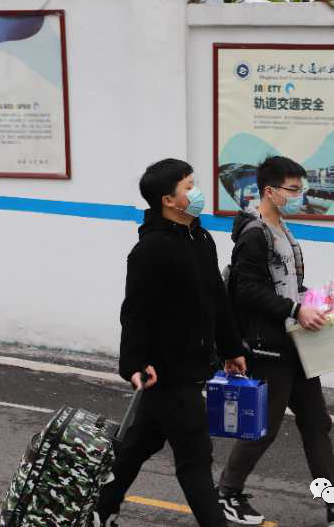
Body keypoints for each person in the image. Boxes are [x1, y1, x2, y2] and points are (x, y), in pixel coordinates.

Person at [218, 156, 334, 526]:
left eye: (300, 188)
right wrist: (296, 309)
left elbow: (287, 286)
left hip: (295, 343)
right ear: (270, 190)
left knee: (315, 422)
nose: (298, 196)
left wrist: (327, 299)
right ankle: (226, 494)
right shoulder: (255, 234)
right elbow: (246, 290)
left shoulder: (282, 229)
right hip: (269, 345)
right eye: (292, 189)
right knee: (264, 427)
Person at [94, 158, 247, 527]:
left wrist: (231, 349)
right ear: (169, 200)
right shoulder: (151, 249)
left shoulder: (200, 239)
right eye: (189, 187)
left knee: (139, 444)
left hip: (195, 364)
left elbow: (217, 299)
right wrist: (133, 364)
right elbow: (135, 312)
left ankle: (98, 511)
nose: (198, 192)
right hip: (167, 371)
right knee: (195, 459)